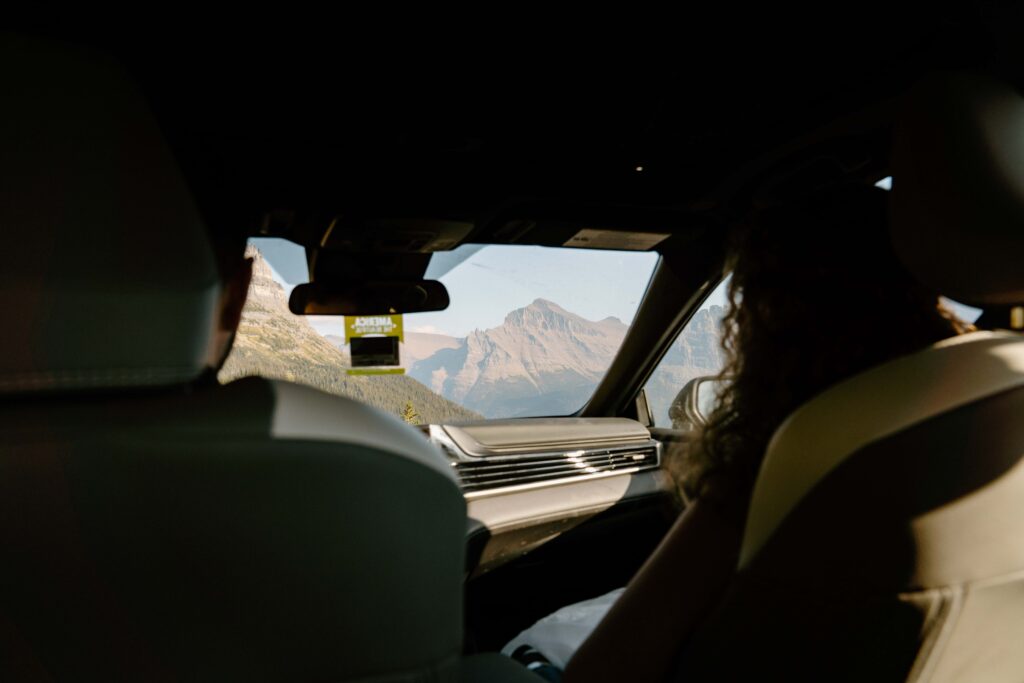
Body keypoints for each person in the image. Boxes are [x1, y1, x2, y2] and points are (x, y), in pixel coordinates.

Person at [502, 183, 974, 683]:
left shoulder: (787, 460)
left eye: (745, 299)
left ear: (772, 320)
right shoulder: (992, 410)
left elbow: (607, 667)